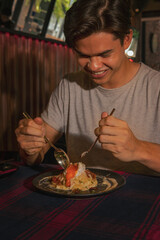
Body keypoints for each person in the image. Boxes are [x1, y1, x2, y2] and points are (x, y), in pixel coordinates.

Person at [15, 0, 160, 176]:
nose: (94, 66)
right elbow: (35, 157)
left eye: (105, 54)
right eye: (83, 55)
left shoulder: (155, 87)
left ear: (127, 39)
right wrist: (30, 148)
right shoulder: (69, 87)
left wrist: (137, 149)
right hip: (81, 196)